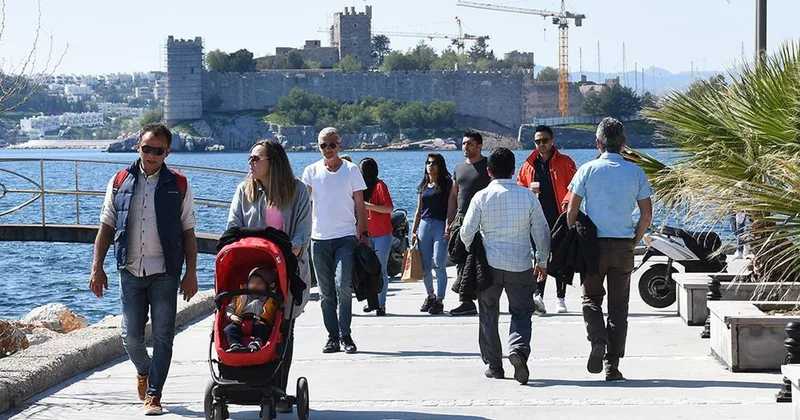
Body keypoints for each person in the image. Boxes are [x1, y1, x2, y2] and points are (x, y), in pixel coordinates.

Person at [89, 123, 198, 416]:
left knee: (164, 337)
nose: (151, 155)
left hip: (165, 272)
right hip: (130, 270)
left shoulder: (179, 184)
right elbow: (106, 226)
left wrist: (191, 273)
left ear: (167, 153)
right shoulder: (119, 180)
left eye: (158, 150)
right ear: (138, 146)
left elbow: (189, 232)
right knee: (130, 336)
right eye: (147, 148)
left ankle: (154, 395)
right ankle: (145, 370)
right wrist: (97, 267)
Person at [227, 139, 311, 413]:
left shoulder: (297, 191)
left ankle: (279, 389)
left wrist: (291, 251)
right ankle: (249, 382)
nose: (250, 163)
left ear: (272, 162)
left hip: (286, 270)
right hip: (252, 272)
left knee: (283, 328)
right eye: (249, 158)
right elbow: (233, 226)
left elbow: (301, 232)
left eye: (256, 158)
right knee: (250, 325)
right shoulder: (245, 190)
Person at [566, 117, 653, 382]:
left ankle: (598, 338)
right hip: (623, 245)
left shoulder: (587, 170)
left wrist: (574, 237)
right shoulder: (635, 172)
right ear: (624, 143)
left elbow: (572, 210)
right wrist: (634, 240)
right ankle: (612, 366)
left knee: (591, 298)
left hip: (593, 247)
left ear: (598, 143)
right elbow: (646, 214)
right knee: (619, 307)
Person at [460, 147, 551, 385]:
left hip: (488, 266)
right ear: (513, 170)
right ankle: (518, 350)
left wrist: (473, 248)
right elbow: (541, 232)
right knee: (522, 312)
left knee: (488, 313)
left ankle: (494, 365)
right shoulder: (528, 196)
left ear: (489, 172)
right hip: (520, 265)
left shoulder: (481, 197)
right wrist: (542, 262)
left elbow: (466, 233)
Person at [302, 127, 368, 354]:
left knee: (343, 285)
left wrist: (364, 231)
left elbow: (360, 203)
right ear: (318, 147)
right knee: (325, 291)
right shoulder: (310, 171)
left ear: (340, 145)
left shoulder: (351, 170)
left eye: (332, 144)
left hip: (345, 238)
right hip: (319, 239)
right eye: (323, 146)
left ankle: (346, 335)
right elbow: (303, 204)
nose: (328, 149)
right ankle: (332, 337)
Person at [517, 125, 578, 315]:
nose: (541, 145)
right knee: (539, 257)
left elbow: (575, 186)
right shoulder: (528, 165)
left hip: (559, 217)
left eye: (544, 141)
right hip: (536, 218)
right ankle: (538, 296)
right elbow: (519, 186)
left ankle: (561, 298)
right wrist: (529, 192)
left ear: (552, 141)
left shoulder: (565, 162)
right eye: (537, 141)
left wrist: (568, 203)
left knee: (560, 257)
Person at [446, 131, 491, 316]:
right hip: (461, 219)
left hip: (483, 221)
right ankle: (465, 301)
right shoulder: (458, 168)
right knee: (460, 259)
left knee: (481, 260)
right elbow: (453, 196)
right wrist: (449, 222)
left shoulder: (488, 165)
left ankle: (485, 296)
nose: (465, 147)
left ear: (479, 146)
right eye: (464, 143)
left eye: (469, 144)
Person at [411, 153, 452, 315]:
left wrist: (448, 226)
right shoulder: (423, 185)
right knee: (425, 266)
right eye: (428, 162)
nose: (430, 165)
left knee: (439, 263)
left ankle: (440, 300)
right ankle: (430, 295)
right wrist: (413, 231)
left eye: (434, 163)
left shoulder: (447, 184)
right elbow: (418, 211)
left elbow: (451, 207)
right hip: (424, 226)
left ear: (440, 165)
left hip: (440, 225)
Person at [358, 157, 394, 316]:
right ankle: (371, 302)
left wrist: (368, 206)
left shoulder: (380, 186)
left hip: (382, 234)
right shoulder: (359, 188)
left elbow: (389, 209)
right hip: (365, 234)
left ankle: (381, 303)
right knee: (366, 270)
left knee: (380, 269)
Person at [224, 267, 279, 353]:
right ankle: (235, 344)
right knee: (229, 329)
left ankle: (257, 343)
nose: (255, 285)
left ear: (267, 286)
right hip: (240, 322)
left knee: (265, 331)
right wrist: (231, 316)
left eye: (259, 283)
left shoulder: (269, 298)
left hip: (260, 323)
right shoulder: (240, 296)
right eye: (252, 282)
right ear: (247, 284)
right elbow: (229, 308)